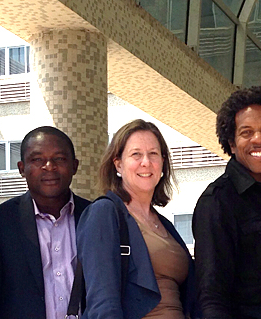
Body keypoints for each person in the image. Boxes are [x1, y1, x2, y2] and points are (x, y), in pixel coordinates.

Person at [192, 86, 261, 318]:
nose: (258, 139)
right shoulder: (217, 202)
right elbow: (212, 295)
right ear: (231, 144)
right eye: (246, 132)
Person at [76, 119, 196, 318]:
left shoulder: (164, 224)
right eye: (136, 154)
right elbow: (103, 302)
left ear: (163, 163)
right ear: (118, 164)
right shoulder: (104, 213)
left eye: (153, 154)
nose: (146, 162)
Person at [0, 126, 91, 319]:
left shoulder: (94, 217)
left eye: (59, 158)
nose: (49, 166)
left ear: (74, 166)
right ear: (22, 169)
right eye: (37, 159)